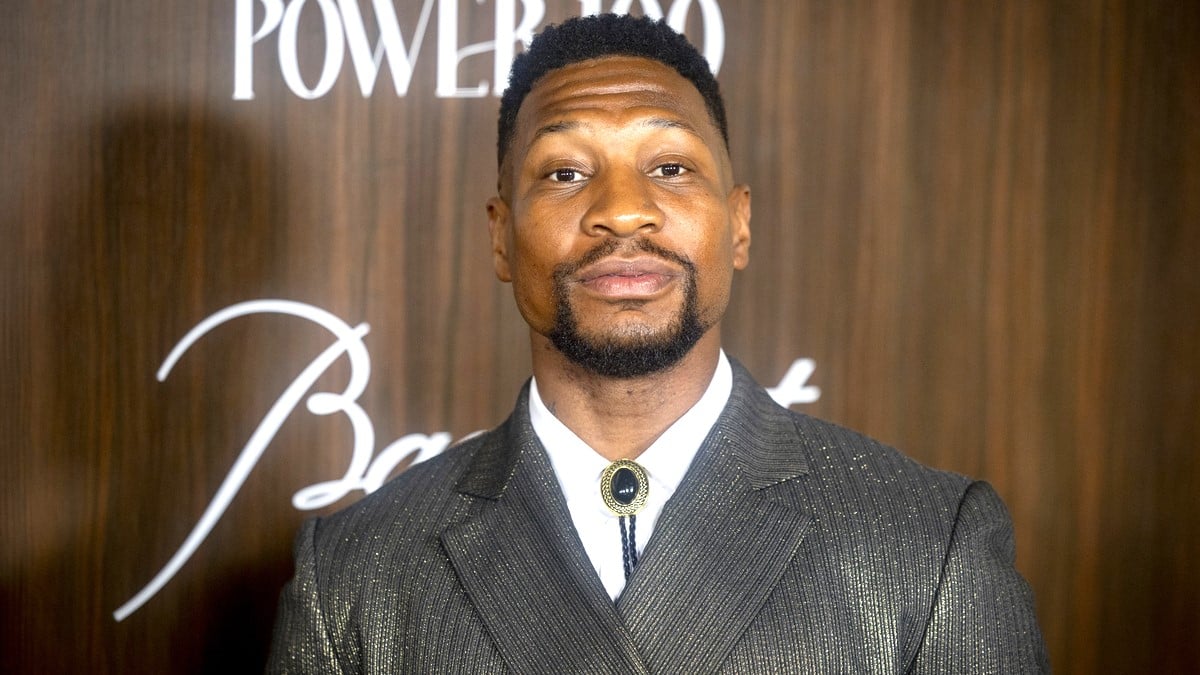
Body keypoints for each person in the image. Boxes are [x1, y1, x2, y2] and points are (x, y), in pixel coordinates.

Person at [267, 14, 1048, 673]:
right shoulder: (350, 577)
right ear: (501, 238)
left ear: (738, 224)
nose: (623, 211)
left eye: (670, 166)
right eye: (566, 173)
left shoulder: (930, 544)